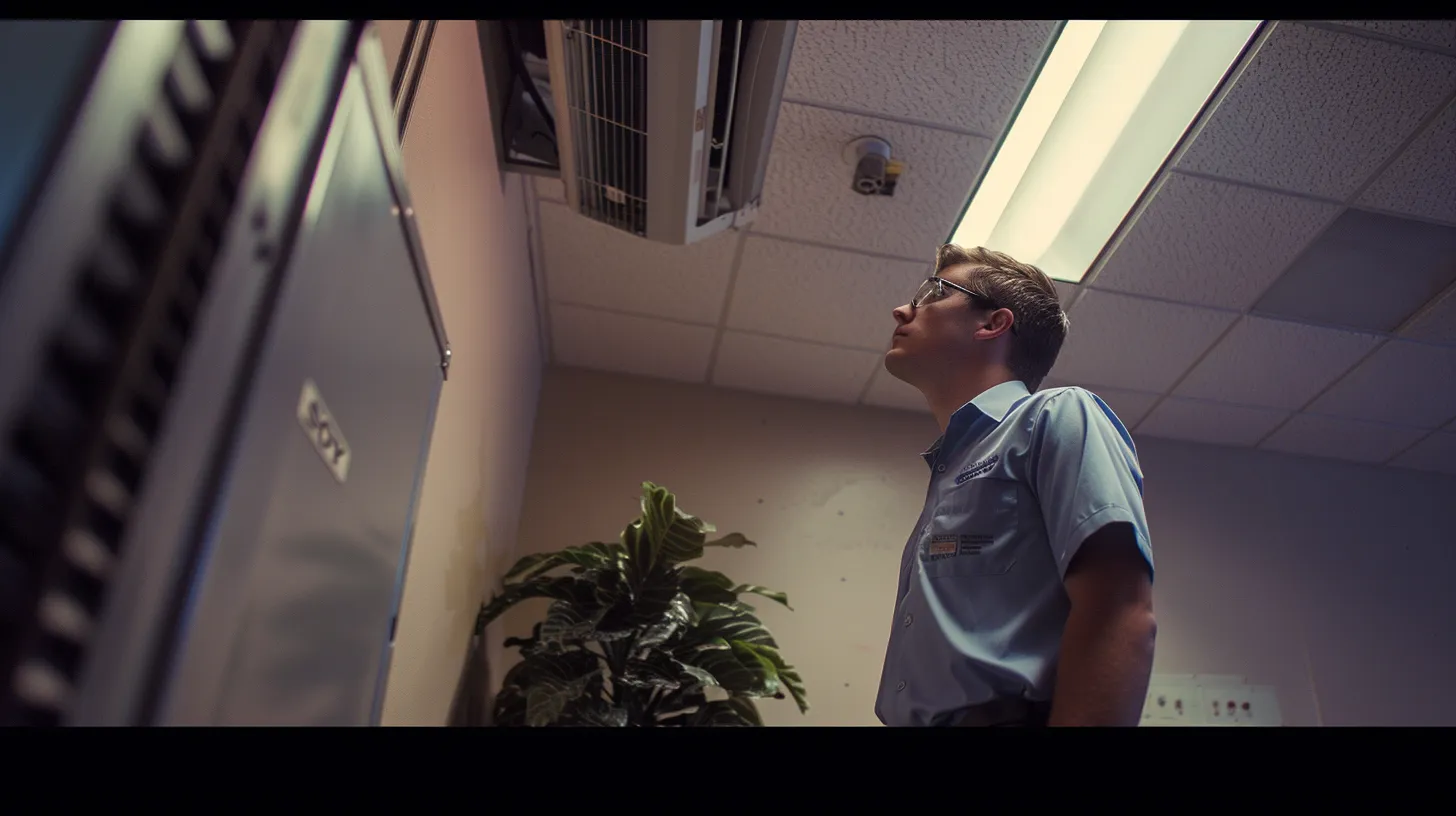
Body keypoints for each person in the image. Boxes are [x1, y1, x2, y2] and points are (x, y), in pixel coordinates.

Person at [874, 244, 1156, 727]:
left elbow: (1119, 610)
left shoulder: (1060, 414)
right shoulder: (953, 463)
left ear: (992, 324)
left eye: (935, 293)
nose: (903, 309)